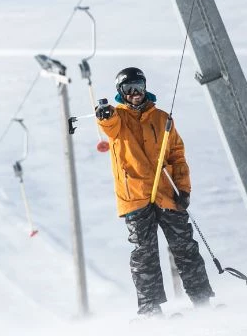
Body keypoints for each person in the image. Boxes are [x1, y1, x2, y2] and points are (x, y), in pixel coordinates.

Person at [96, 67, 214, 317]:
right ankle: (150, 310)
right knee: (144, 253)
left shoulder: (162, 118)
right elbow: (109, 126)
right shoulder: (118, 118)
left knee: (184, 246)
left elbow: (177, 155)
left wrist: (183, 189)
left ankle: (202, 300)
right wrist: (104, 116)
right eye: (129, 89)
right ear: (121, 93)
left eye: (139, 86)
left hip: (166, 192)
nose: (135, 93)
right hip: (135, 196)